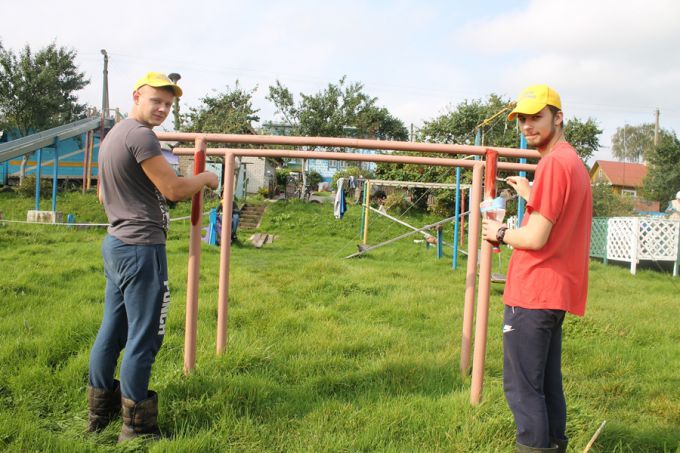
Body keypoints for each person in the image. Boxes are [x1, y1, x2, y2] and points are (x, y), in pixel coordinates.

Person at [87, 72, 218, 441]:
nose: (162, 109)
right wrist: (208, 177)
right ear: (136, 96)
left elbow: (102, 196)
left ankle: (99, 414)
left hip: (115, 243)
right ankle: (136, 427)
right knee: (146, 336)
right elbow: (175, 189)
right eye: (156, 101)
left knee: (112, 330)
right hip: (142, 247)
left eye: (168, 104)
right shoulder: (142, 136)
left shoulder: (112, 136)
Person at [481, 85, 592, 453]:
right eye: (523, 119)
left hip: (533, 292)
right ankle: (556, 446)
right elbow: (559, 217)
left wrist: (498, 231)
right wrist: (532, 194)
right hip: (555, 291)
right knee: (546, 385)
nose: (527, 126)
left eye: (536, 117)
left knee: (522, 389)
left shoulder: (553, 164)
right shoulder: (571, 162)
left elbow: (536, 238)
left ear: (558, 117)